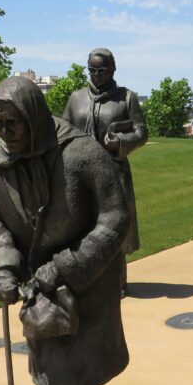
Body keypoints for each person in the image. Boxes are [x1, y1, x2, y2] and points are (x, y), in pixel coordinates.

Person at [0, 76, 130, 385]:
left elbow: (115, 217)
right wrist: (3, 266)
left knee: (84, 344)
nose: (4, 132)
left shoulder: (82, 154)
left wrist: (67, 266)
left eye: (11, 123)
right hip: (38, 270)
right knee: (47, 340)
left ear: (32, 117)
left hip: (88, 269)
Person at [62, 48, 147, 293]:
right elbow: (63, 131)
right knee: (81, 227)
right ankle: (85, 281)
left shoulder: (126, 97)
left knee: (114, 227)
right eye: (92, 70)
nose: (97, 75)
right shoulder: (76, 98)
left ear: (112, 70)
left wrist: (120, 143)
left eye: (102, 70)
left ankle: (116, 281)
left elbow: (141, 132)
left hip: (113, 171)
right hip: (80, 174)